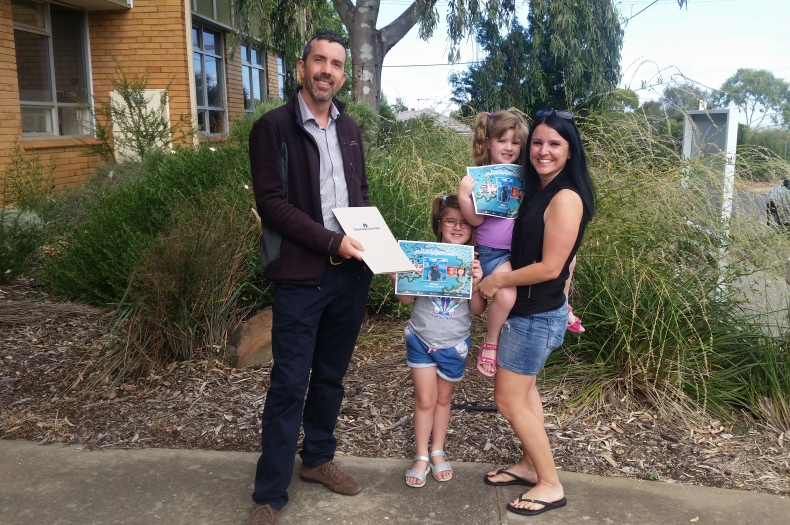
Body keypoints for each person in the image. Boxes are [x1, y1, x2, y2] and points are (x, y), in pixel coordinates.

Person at [248, 31, 372, 525]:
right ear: (301, 68)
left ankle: (318, 460)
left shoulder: (350, 128)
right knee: (288, 384)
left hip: (350, 276)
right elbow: (271, 204)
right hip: (301, 277)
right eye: (318, 60)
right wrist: (330, 242)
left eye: (336, 64)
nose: (327, 70)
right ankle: (268, 495)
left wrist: (376, 247)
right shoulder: (273, 128)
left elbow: (358, 195)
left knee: (330, 378)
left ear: (344, 74)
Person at [479, 109, 595, 516]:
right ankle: (531, 465)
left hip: (535, 314)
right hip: (533, 310)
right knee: (525, 394)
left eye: (555, 144)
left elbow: (551, 265)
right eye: (538, 143)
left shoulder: (565, 197)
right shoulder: (540, 188)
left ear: (569, 151)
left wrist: (496, 282)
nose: (543, 151)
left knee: (508, 400)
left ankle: (550, 483)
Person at [391, 195, 486, 487]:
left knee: (443, 400)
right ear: (440, 224)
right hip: (420, 337)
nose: (457, 227)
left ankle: (437, 451)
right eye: (450, 221)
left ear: (472, 229)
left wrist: (478, 283)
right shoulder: (422, 255)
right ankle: (421, 454)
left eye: (464, 224)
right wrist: (400, 275)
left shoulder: (474, 262)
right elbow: (406, 299)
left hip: (454, 343)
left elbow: (478, 310)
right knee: (425, 399)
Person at [458, 111, 528, 378]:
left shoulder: (525, 176)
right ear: (488, 142)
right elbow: (475, 219)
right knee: (507, 295)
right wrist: (465, 195)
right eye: (502, 141)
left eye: (515, 142)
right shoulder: (481, 179)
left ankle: (562, 307)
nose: (509, 147)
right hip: (493, 253)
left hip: (520, 251)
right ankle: (490, 342)